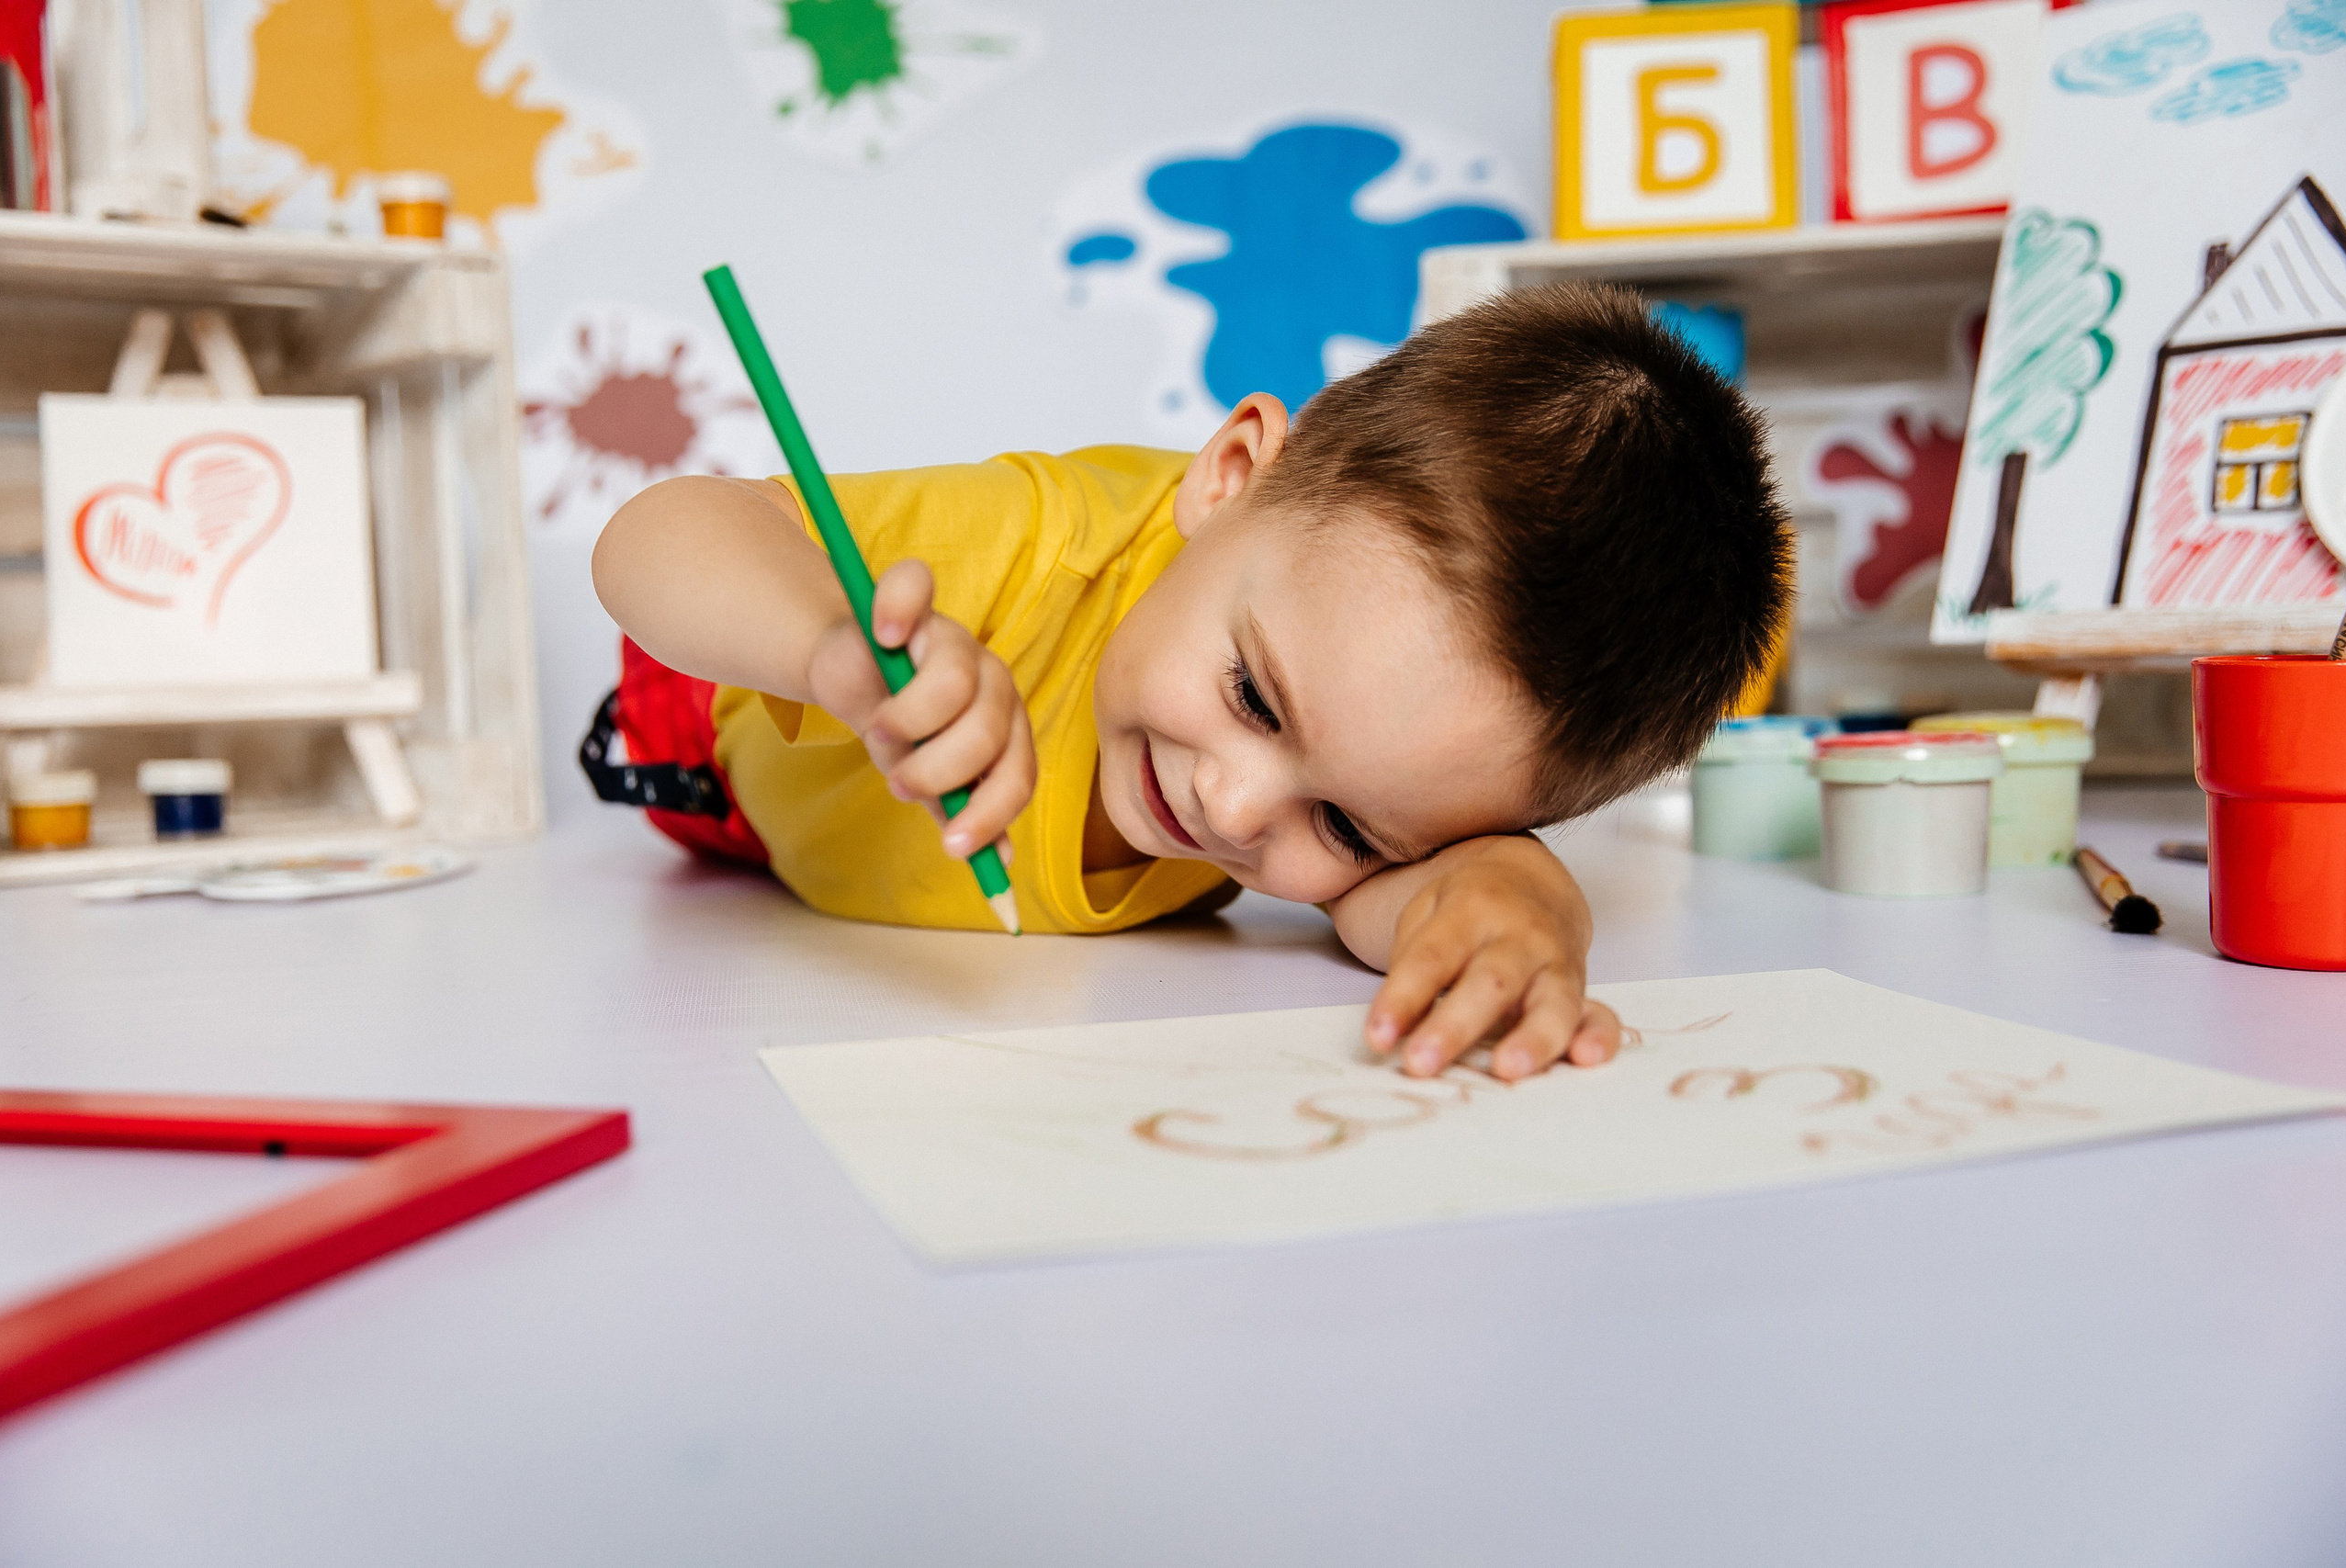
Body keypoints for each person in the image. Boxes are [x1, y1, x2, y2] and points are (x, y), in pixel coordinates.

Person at [591, 282, 1790, 1084]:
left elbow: (1415, 901)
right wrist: (826, 650)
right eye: (1254, 699)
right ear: (1226, 478)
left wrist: (1520, 901)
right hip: (707, 733)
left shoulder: (1392, 752)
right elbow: (657, 535)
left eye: (1343, 826)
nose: (1233, 807)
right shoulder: (1037, 544)